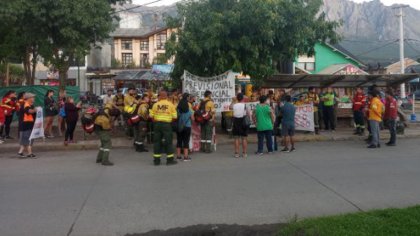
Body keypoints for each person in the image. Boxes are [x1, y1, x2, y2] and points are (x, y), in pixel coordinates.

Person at [150, 91, 178, 166]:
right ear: (166, 96)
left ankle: (156, 161)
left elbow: (151, 116)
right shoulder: (170, 105)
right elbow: (175, 117)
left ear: (159, 96)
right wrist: (168, 121)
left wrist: (156, 121)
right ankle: (169, 160)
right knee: (168, 142)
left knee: (157, 142)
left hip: (157, 124)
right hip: (167, 125)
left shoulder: (155, 105)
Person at [18, 93, 37, 158]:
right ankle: (29, 153)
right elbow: (29, 111)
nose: (34, 98)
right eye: (32, 97)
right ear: (28, 98)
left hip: (28, 124)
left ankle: (20, 152)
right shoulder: (25, 104)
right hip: (25, 124)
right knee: (28, 138)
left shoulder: (29, 104)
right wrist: (36, 110)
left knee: (26, 139)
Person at [176, 93, 194, 161]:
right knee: (186, 141)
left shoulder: (178, 110)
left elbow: (175, 117)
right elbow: (193, 119)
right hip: (187, 127)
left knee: (179, 141)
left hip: (179, 126)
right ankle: (186, 157)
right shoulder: (189, 111)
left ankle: (178, 156)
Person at [231, 93, 250, 158]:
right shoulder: (245, 105)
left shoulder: (234, 105)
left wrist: (233, 101)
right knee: (244, 138)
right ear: (243, 98)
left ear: (237, 98)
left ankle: (236, 153)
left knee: (236, 138)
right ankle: (244, 153)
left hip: (236, 121)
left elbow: (230, 107)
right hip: (243, 121)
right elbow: (248, 114)